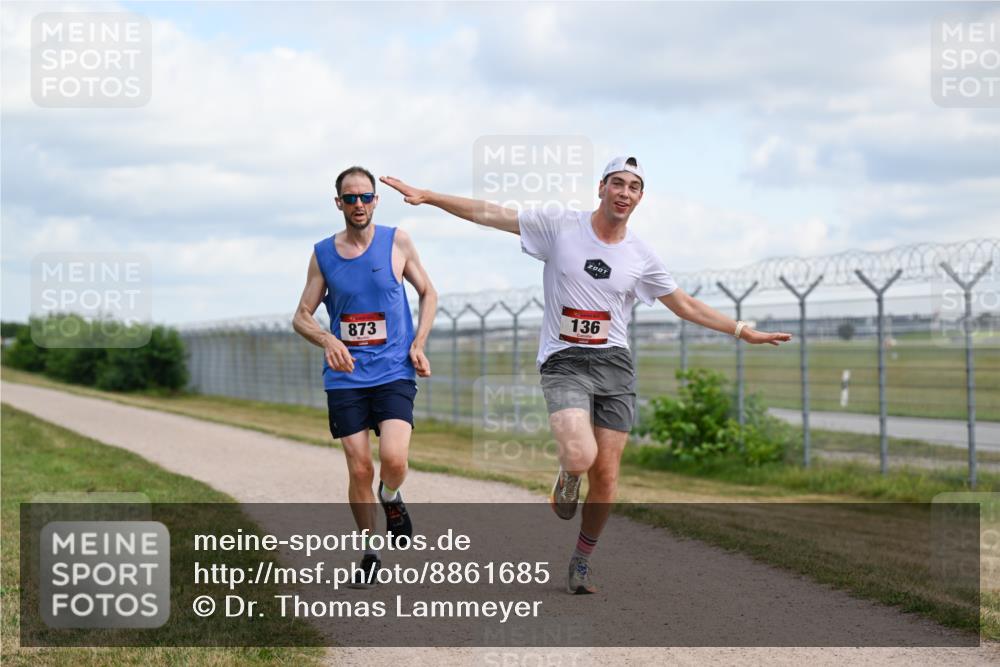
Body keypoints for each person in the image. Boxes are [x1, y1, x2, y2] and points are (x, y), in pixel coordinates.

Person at [380, 157, 791, 594]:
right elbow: (493, 213)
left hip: (615, 363)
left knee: (608, 478)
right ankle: (568, 473)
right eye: (617, 183)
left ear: (640, 197)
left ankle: (581, 560)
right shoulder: (560, 225)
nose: (624, 192)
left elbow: (684, 304)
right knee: (580, 456)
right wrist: (430, 196)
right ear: (601, 188)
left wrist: (742, 330)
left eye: (633, 187)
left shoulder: (640, 255)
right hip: (565, 360)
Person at [293, 165, 437, 588]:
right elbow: (301, 316)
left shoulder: (399, 242)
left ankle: (390, 495)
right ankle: (371, 551)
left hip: (394, 370)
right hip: (346, 377)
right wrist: (327, 340)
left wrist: (419, 342)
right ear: (338, 203)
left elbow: (428, 292)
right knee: (358, 469)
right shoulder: (323, 253)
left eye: (366, 197)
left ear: (376, 200)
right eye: (350, 198)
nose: (359, 204)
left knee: (393, 460)